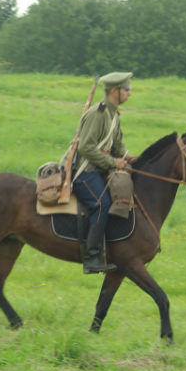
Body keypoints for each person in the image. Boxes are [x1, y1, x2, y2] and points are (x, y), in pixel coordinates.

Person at [69, 71, 138, 273]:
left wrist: (129, 157)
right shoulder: (96, 114)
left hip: (99, 168)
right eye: (127, 89)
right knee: (101, 204)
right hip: (85, 171)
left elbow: (117, 146)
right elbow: (86, 148)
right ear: (114, 91)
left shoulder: (114, 114)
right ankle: (91, 258)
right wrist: (113, 162)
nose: (129, 94)